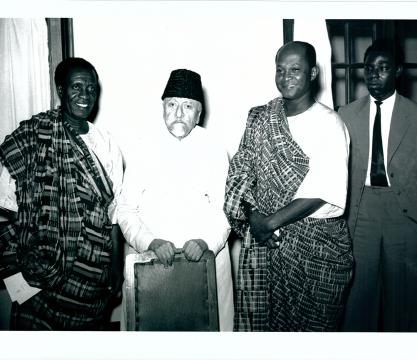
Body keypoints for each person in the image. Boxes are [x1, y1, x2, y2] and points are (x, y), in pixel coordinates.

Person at [224, 41, 353, 331]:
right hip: (268, 247)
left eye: (295, 70)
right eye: (280, 70)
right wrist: (254, 216)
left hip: (316, 252)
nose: (286, 77)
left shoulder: (329, 123)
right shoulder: (260, 118)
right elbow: (240, 174)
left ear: (312, 73)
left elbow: (324, 190)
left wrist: (268, 223)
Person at [0, 57, 124, 330]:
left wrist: (116, 269)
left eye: (91, 88)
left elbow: (113, 214)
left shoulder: (106, 144)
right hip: (39, 277)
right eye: (76, 87)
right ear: (60, 89)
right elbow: (6, 208)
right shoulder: (35, 135)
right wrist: (14, 272)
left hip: (91, 275)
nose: (85, 96)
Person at [117, 69, 234, 331]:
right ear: (163, 109)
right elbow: (125, 210)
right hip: (153, 267)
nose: (179, 113)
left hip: (205, 263)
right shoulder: (143, 147)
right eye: (172, 104)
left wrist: (206, 242)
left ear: (199, 113)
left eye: (188, 106)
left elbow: (227, 210)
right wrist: (150, 241)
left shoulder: (215, 148)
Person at [339, 40, 417, 331]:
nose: (374, 75)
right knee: (359, 298)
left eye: (382, 68)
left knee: (404, 301)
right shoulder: (346, 115)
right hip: (361, 213)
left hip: (405, 215)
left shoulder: (414, 116)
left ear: (397, 71)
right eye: (369, 69)